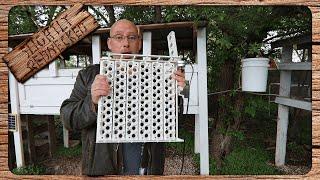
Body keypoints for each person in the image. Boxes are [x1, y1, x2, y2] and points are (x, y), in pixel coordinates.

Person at [60, 19, 186, 176]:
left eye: (132, 37)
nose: (125, 43)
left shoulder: (156, 76)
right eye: (119, 37)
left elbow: (174, 123)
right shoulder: (88, 76)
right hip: (103, 171)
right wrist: (91, 101)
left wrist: (175, 94)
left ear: (139, 44)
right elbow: (67, 118)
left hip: (146, 169)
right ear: (109, 43)